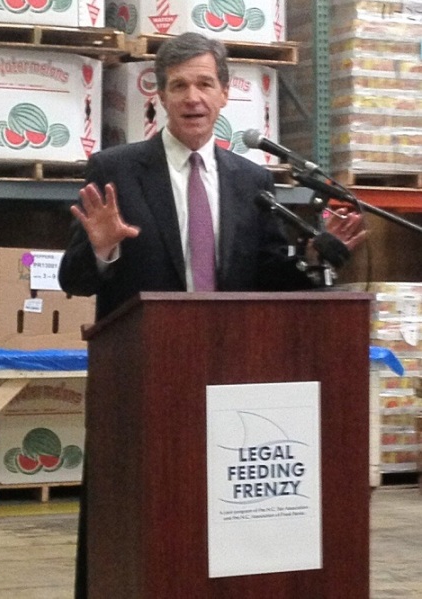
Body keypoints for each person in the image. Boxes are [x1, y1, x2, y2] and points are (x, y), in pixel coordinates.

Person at [59, 32, 366, 598]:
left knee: (213, 530)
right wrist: (102, 248)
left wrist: (315, 256)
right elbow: (74, 279)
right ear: (160, 97)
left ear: (225, 95)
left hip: (232, 384)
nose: (192, 97)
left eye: (205, 83)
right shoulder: (115, 169)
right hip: (140, 385)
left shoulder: (252, 181)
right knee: (128, 524)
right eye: (179, 85)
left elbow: (271, 276)